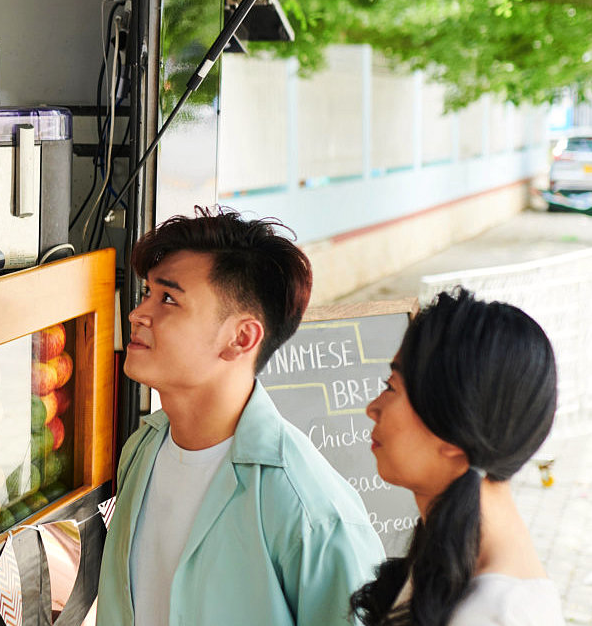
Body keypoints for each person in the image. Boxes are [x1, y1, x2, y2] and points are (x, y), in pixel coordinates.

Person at [98, 207, 383, 626]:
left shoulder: (309, 510)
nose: (138, 314)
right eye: (146, 293)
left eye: (169, 299)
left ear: (241, 337)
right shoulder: (143, 448)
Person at [352, 289, 564, 626]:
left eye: (391, 386)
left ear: (452, 431)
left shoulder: (498, 614)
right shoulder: (445, 559)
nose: (372, 408)